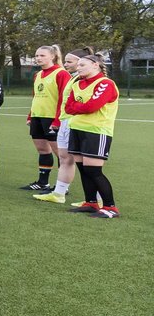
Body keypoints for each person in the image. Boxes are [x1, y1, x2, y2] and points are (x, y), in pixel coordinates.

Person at [62, 54, 120, 218]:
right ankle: (90, 203)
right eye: (78, 65)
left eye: (82, 65)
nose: (78, 68)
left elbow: (92, 107)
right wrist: (81, 107)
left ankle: (110, 207)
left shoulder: (105, 83)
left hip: (97, 131)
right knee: (83, 169)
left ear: (95, 65)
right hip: (77, 129)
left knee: (93, 170)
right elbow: (68, 108)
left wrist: (79, 107)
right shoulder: (78, 84)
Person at [34, 47, 90, 205]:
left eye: (69, 61)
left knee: (87, 162)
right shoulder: (74, 78)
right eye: (65, 61)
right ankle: (59, 193)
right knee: (65, 158)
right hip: (66, 122)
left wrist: (59, 119)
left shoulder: (92, 81)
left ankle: (96, 199)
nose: (65, 64)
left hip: (81, 125)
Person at [23, 45, 72, 191]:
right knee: (42, 150)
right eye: (36, 56)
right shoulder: (37, 75)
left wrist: (57, 120)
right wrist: (31, 115)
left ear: (52, 56)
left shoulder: (61, 73)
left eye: (42, 55)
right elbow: (35, 97)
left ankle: (62, 186)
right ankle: (42, 182)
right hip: (38, 117)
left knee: (61, 154)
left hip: (52, 119)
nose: (38, 58)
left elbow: (64, 98)